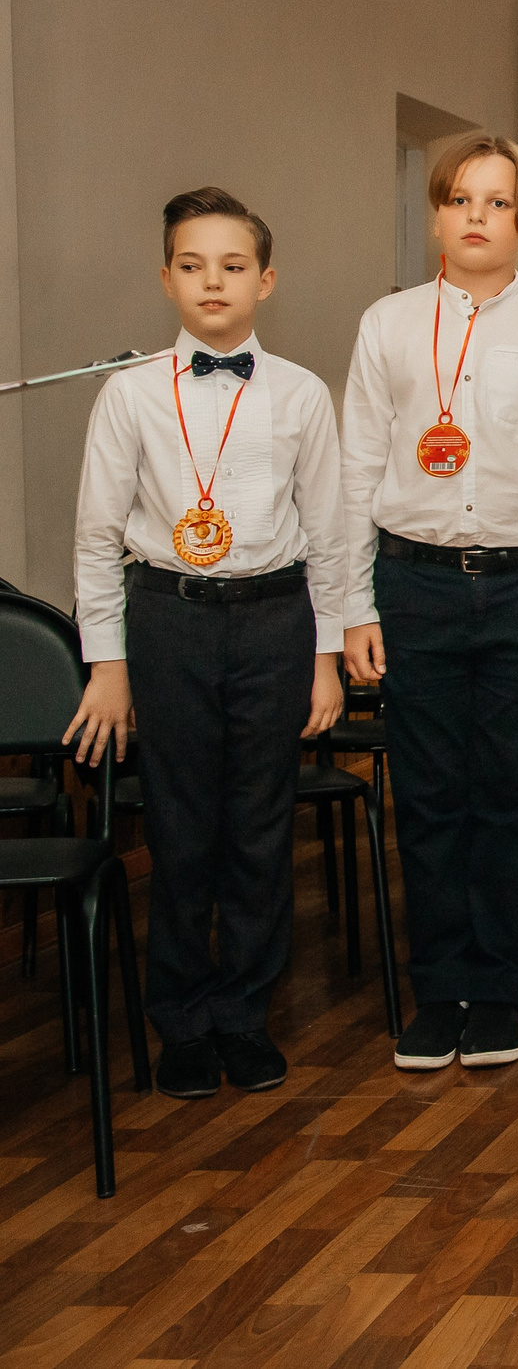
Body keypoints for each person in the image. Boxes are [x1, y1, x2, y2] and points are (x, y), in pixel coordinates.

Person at [64, 187, 349, 1098]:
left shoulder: (303, 393)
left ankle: (244, 1012)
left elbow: (332, 535)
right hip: (168, 618)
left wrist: (326, 659)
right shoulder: (129, 393)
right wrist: (108, 667)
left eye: (232, 266)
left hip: (275, 620)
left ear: (266, 280)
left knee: (260, 828)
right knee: (183, 828)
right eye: (193, 265)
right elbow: (96, 538)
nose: (212, 282)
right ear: (166, 279)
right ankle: (180, 1020)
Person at [341, 135, 518, 1072]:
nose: (475, 216)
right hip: (412, 581)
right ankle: (439, 989)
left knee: (509, 793)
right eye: (459, 198)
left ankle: (500, 989)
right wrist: (352, 605)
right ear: (436, 213)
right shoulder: (386, 325)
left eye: (496, 203)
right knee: (426, 795)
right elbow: (355, 470)